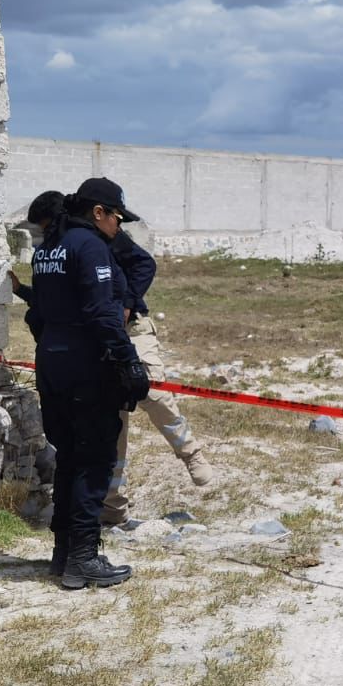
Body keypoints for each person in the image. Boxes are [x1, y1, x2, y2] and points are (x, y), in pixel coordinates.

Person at [31, 178, 150, 588]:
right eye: (117, 216)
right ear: (98, 212)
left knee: (68, 457)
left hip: (51, 360)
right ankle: (83, 557)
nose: (119, 225)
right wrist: (129, 362)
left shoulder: (48, 246)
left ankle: (63, 553)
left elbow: (40, 311)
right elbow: (102, 313)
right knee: (95, 459)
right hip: (86, 364)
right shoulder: (91, 245)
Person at [101, 223, 214, 530]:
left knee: (151, 391)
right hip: (100, 333)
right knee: (113, 420)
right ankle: (113, 506)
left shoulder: (109, 236)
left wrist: (126, 303)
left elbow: (144, 264)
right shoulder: (73, 242)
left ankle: (191, 454)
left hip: (132, 328)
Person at [9, 190, 64, 344]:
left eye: (46, 227)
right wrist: (19, 289)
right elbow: (43, 298)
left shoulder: (83, 248)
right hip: (46, 341)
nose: (45, 233)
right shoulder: (42, 252)